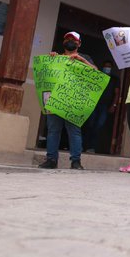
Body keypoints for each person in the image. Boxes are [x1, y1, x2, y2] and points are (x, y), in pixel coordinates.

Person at [38, 31, 97, 170]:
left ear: (79, 44)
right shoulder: (56, 58)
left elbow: (96, 73)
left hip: (73, 100)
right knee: (53, 130)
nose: (70, 41)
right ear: (63, 42)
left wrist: (82, 61)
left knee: (74, 131)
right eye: (67, 39)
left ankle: (76, 161)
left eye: (74, 40)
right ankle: (51, 159)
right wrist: (50, 59)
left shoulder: (84, 58)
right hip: (55, 99)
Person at [84, 60, 120, 154]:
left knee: (99, 125)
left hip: (105, 105)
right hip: (93, 103)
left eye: (109, 67)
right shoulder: (98, 75)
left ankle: (92, 147)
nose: (107, 68)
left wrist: (114, 105)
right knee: (89, 124)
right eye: (105, 66)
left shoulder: (114, 79)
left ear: (111, 69)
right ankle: (85, 146)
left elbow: (117, 93)